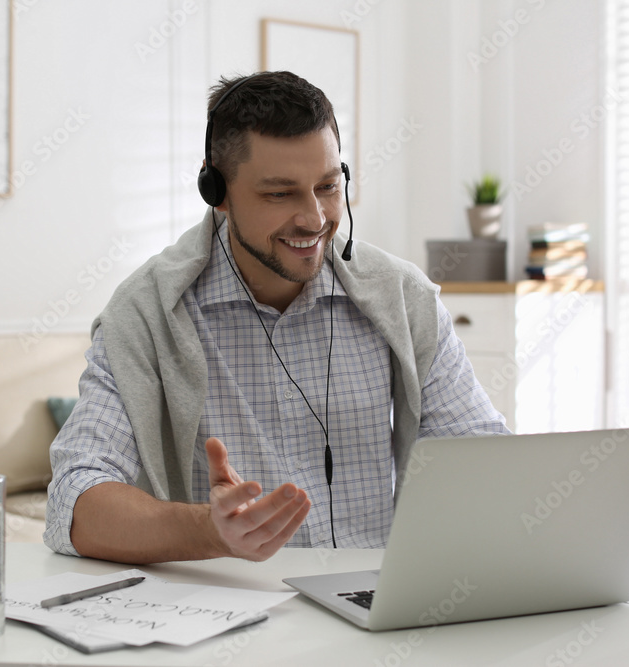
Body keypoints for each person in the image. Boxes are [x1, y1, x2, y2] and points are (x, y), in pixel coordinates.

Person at [44, 71, 508, 565]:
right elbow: (73, 502)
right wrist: (208, 531)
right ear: (215, 190)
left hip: (377, 612)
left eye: (328, 186)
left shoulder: (402, 298)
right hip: (228, 622)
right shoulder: (145, 312)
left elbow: (481, 462)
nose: (313, 218)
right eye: (279, 193)